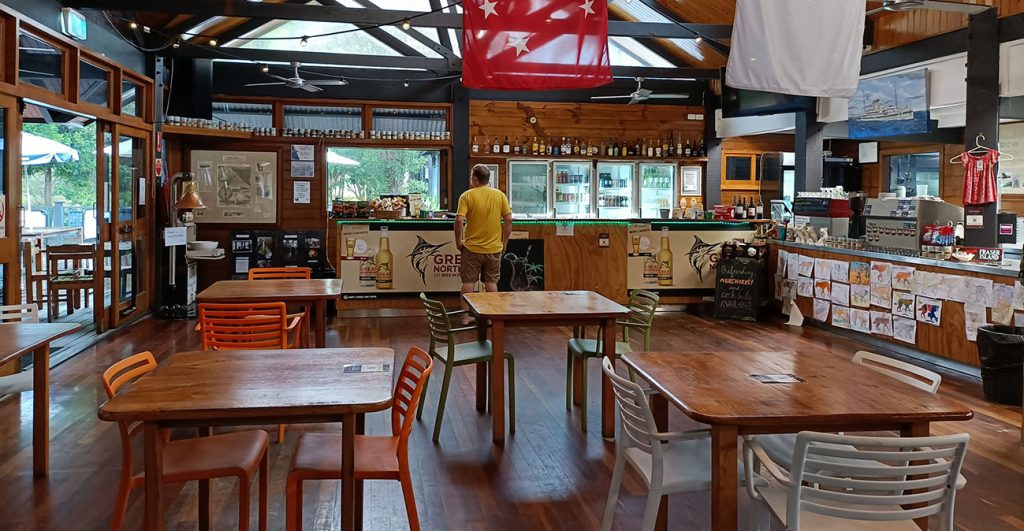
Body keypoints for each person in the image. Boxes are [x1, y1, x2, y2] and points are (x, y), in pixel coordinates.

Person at [455, 164, 512, 321]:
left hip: (471, 248)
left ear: (474, 178)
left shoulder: (467, 196)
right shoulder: (500, 196)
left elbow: (459, 220)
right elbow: (509, 219)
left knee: (468, 283)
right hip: (494, 248)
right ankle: (491, 317)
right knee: (491, 283)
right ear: (488, 179)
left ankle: (466, 317)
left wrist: (458, 241)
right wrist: (504, 242)